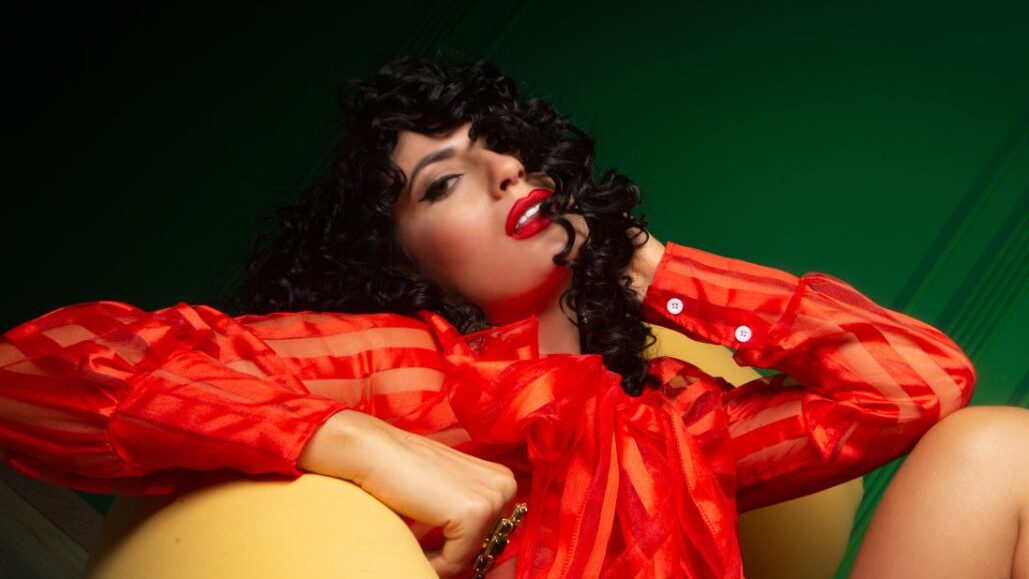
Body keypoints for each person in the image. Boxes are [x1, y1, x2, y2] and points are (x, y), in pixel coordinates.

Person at [0, 56, 1025, 579]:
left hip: (657, 395)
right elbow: (38, 370)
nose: (502, 167)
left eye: (508, 145)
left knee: (997, 453)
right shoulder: (408, 366)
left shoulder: (673, 418)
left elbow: (914, 384)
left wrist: (647, 263)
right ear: (394, 260)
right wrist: (351, 439)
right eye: (443, 183)